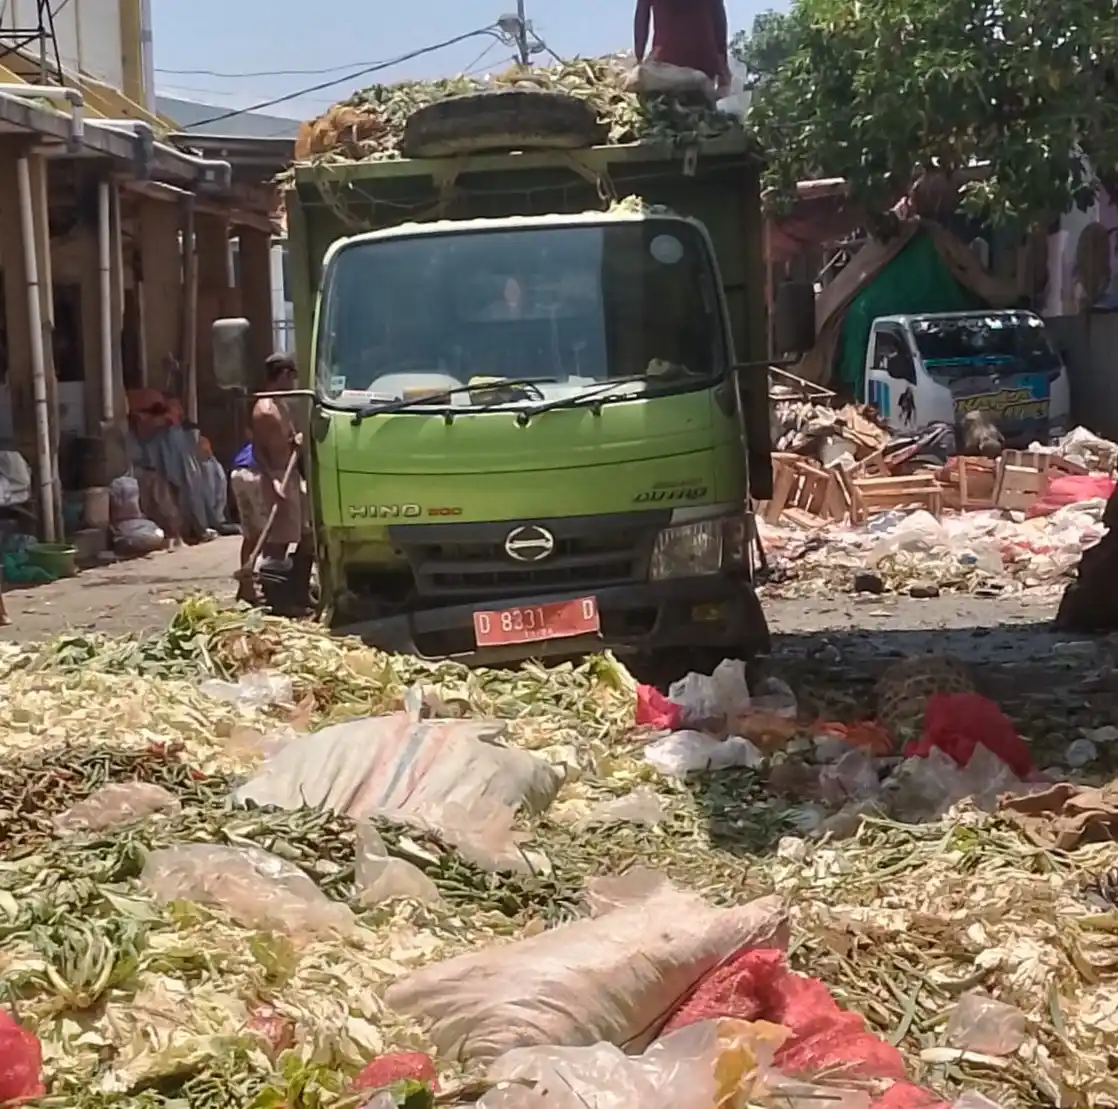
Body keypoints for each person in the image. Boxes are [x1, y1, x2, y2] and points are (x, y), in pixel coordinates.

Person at [229, 353, 304, 604]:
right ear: (283, 375)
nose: (293, 383)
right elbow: (259, 450)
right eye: (292, 377)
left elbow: (286, 438)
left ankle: (249, 588)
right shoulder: (265, 410)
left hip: (283, 472)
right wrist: (273, 480)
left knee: (262, 535)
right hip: (266, 474)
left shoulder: (281, 405)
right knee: (272, 537)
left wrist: (295, 441)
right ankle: (271, 592)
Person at [634, 0, 731, 91]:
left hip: (665, 60)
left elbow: (641, 18)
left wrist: (639, 58)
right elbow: (719, 19)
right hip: (705, 62)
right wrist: (723, 66)